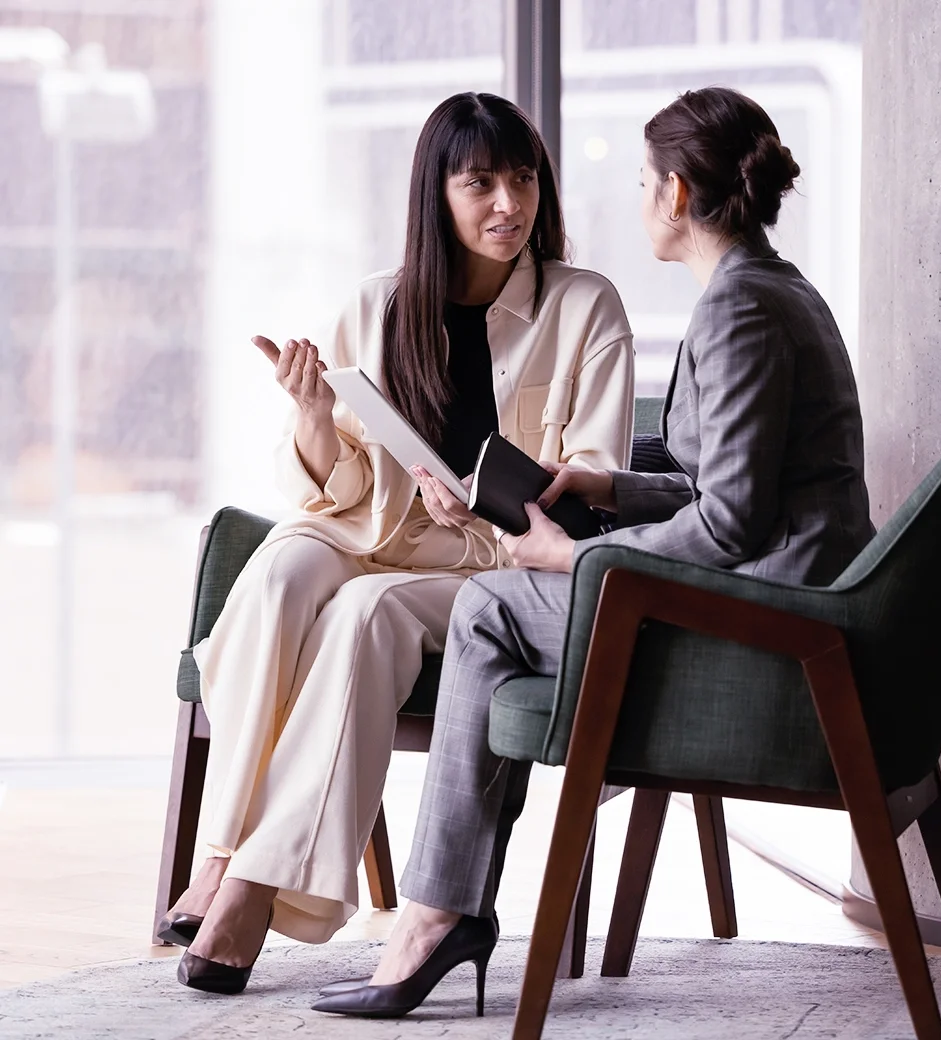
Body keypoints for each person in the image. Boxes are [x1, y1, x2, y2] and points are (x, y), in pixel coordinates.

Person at [312, 86, 875, 1019]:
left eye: (648, 180)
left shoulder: (737, 311)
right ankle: (446, 910)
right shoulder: (772, 291)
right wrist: (602, 488)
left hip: (769, 613)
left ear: (679, 195)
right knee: (495, 605)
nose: (641, 197)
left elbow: (731, 526)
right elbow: (735, 494)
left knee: (490, 607)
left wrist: (571, 559)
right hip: (788, 582)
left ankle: (434, 916)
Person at [160, 92, 635, 995]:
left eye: (524, 179)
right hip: (371, 527)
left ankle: (251, 889)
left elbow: (595, 473)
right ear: (437, 195)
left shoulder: (585, 306)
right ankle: (221, 854)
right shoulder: (376, 306)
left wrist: (489, 503)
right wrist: (311, 417)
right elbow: (326, 484)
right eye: (481, 183)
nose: (509, 204)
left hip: (490, 559)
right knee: (280, 575)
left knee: (365, 612)